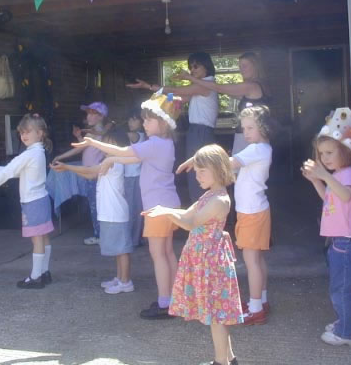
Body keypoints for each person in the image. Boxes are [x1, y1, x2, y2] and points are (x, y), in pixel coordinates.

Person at [71, 92, 182, 319]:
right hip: (169, 204)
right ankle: (175, 297)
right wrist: (111, 159)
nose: (144, 123)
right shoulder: (165, 143)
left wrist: (93, 142)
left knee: (158, 255)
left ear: (163, 123)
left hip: (156, 208)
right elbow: (131, 157)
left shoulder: (154, 143)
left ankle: (165, 302)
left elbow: (124, 152)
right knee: (168, 252)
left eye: (148, 120)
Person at [144, 144, 242, 365]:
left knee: (216, 315)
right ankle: (230, 359)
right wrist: (164, 209)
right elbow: (188, 213)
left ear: (218, 169)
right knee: (217, 314)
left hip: (211, 262)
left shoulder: (219, 200)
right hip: (203, 259)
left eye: (202, 171)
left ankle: (221, 362)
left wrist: (167, 212)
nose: (197, 176)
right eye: (196, 171)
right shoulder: (209, 195)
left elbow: (191, 223)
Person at [179, 104, 273, 325]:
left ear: (263, 127)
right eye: (243, 128)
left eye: (250, 128)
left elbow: (226, 163)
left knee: (251, 261)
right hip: (255, 210)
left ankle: (256, 309)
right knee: (257, 259)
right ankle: (261, 300)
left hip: (252, 212)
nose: (245, 132)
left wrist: (197, 159)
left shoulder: (256, 149)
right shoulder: (262, 148)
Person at [301, 107, 351, 347]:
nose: (324, 158)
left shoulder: (347, 175)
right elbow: (329, 199)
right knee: (341, 287)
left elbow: (346, 196)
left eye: (329, 152)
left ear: (345, 151)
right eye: (321, 154)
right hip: (340, 241)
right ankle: (349, 324)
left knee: (341, 289)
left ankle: (348, 333)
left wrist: (325, 177)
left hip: (346, 242)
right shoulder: (337, 175)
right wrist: (316, 180)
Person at [127, 52, 218, 203]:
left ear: (206, 66)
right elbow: (177, 98)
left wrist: (150, 86)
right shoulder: (199, 87)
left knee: (200, 171)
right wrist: (161, 96)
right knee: (196, 171)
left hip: (201, 132)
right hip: (196, 131)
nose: (192, 70)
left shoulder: (206, 85)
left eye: (195, 66)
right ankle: (200, 207)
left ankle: (203, 209)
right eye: (190, 67)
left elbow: (177, 92)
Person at [0, 113, 54, 290]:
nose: (23, 135)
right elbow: (17, 170)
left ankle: (36, 277)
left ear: (40, 133)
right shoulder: (39, 152)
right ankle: (45, 272)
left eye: (28, 131)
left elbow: (11, 170)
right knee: (44, 236)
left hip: (32, 202)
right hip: (41, 200)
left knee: (37, 239)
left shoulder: (29, 154)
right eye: (21, 132)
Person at [51, 130, 134, 294]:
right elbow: (90, 175)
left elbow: (91, 172)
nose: (105, 147)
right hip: (110, 213)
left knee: (122, 250)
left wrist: (67, 167)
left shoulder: (114, 163)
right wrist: (69, 168)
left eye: (110, 143)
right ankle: (120, 278)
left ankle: (126, 282)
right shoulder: (109, 162)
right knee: (117, 250)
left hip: (115, 213)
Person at [175, 51, 267, 154]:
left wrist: (190, 78)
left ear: (255, 66)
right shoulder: (256, 86)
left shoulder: (251, 86)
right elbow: (225, 91)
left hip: (251, 134)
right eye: (240, 66)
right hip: (248, 133)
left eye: (244, 66)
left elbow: (219, 88)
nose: (241, 70)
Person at [52, 102, 108, 245]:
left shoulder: (96, 132)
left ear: (101, 116)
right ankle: (101, 234)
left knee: (95, 206)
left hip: (93, 174)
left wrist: (60, 157)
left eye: (92, 113)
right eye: (87, 113)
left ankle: (99, 236)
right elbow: (86, 147)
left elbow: (79, 149)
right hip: (93, 173)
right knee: (96, 204)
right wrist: (79, 138)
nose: (88, 116)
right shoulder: (97, 131)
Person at [123, 108, 145, 247]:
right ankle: (134, 238)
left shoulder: (137, 135)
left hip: (134, 177)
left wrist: (110, 127)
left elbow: (124, 134)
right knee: (134, 208)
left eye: (134, 119)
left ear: (141, 122)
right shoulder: (140, 135)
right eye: (129, 119)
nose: (131, 122)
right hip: (130, 176)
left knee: (132, 209)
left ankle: (133, 240)